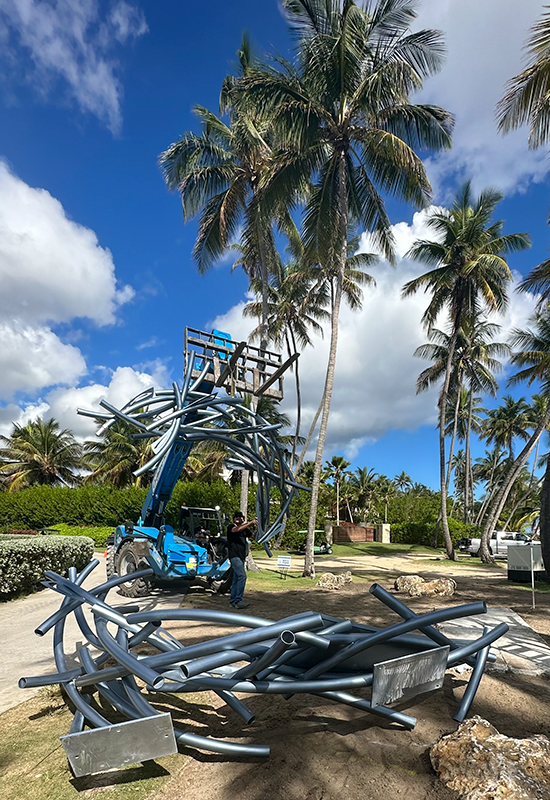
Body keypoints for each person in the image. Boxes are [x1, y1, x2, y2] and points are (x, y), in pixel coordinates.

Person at [226, 510, 257, 609]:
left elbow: (253, 536)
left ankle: (233, 601)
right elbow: (236, 530)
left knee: (236, 578)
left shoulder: (245, 530)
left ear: (243, 518)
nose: (238, 519)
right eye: (236, 517)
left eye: (240, 517)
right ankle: (238, 600)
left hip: (241, 556)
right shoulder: (231, 527)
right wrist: (249, 523)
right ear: (234, 519)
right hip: (234, 556)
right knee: (242, 576)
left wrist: (256, 528)